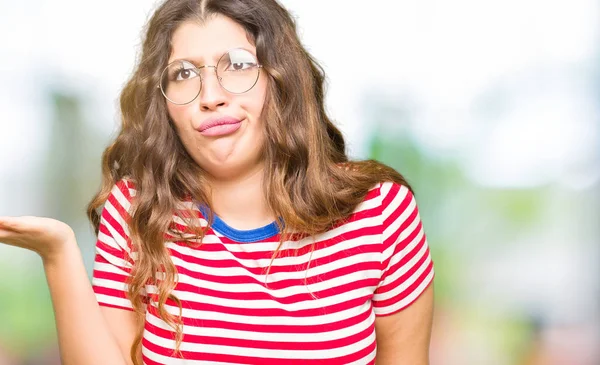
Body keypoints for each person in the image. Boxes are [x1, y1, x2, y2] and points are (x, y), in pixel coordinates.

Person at [0, 0, 434, 364]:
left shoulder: (379, 212)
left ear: (280, 79)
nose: (210, 96)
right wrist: (57, 254)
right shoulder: (136, 210)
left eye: (239, 66)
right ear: (164, 103)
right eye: (184, 74)